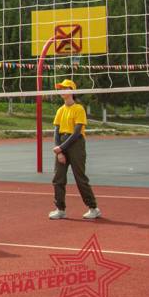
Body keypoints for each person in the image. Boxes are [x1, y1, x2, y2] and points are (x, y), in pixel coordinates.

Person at [49, 79, 100, 220]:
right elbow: (56, 130)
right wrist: (59, 150)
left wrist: (61, 148)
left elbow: (77, 132)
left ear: (71, 90)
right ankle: (60, 209)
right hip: (62, 143)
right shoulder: (60, 110)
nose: (62, 91)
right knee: (58, 178)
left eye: (64, 88)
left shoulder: (79, 109)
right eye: (61, 89)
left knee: (80, 178)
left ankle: (93, 208)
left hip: (76, 144)